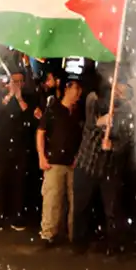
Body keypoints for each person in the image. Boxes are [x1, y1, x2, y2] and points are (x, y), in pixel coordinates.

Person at [71, 79, 136, 255]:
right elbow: (91, 122)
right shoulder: (94, 101)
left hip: (109, 171)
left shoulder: (126, 116)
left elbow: (126, 142)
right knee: (81, 207)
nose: (117, 93)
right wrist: (103, 120)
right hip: (87, 165)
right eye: (116, 89)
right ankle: (78, 244)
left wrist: (112, 146)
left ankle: (114, 247)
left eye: (122, 92)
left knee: (112, 211)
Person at [0, 69, 37, 235]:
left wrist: (19, 97)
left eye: (20, 81)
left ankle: (17, 217)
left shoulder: (28, 97)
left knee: (18, 182)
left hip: (20, 147)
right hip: (1, 146)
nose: (17, 84)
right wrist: (9, 97)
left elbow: (30, 117)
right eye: (14, 81)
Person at [36, 79, 85, 247]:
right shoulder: (53, 109)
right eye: (75, 91)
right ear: (67, 89)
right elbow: (41, 132)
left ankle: (71, 235)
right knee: (52, 199)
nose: (77, 95)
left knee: (73, 200)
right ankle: (48, 234)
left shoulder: (77, 113)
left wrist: (77, 157)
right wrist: (41, 156)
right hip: (54, 161)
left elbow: (81, 138)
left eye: (79, 92)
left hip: (72, 162)